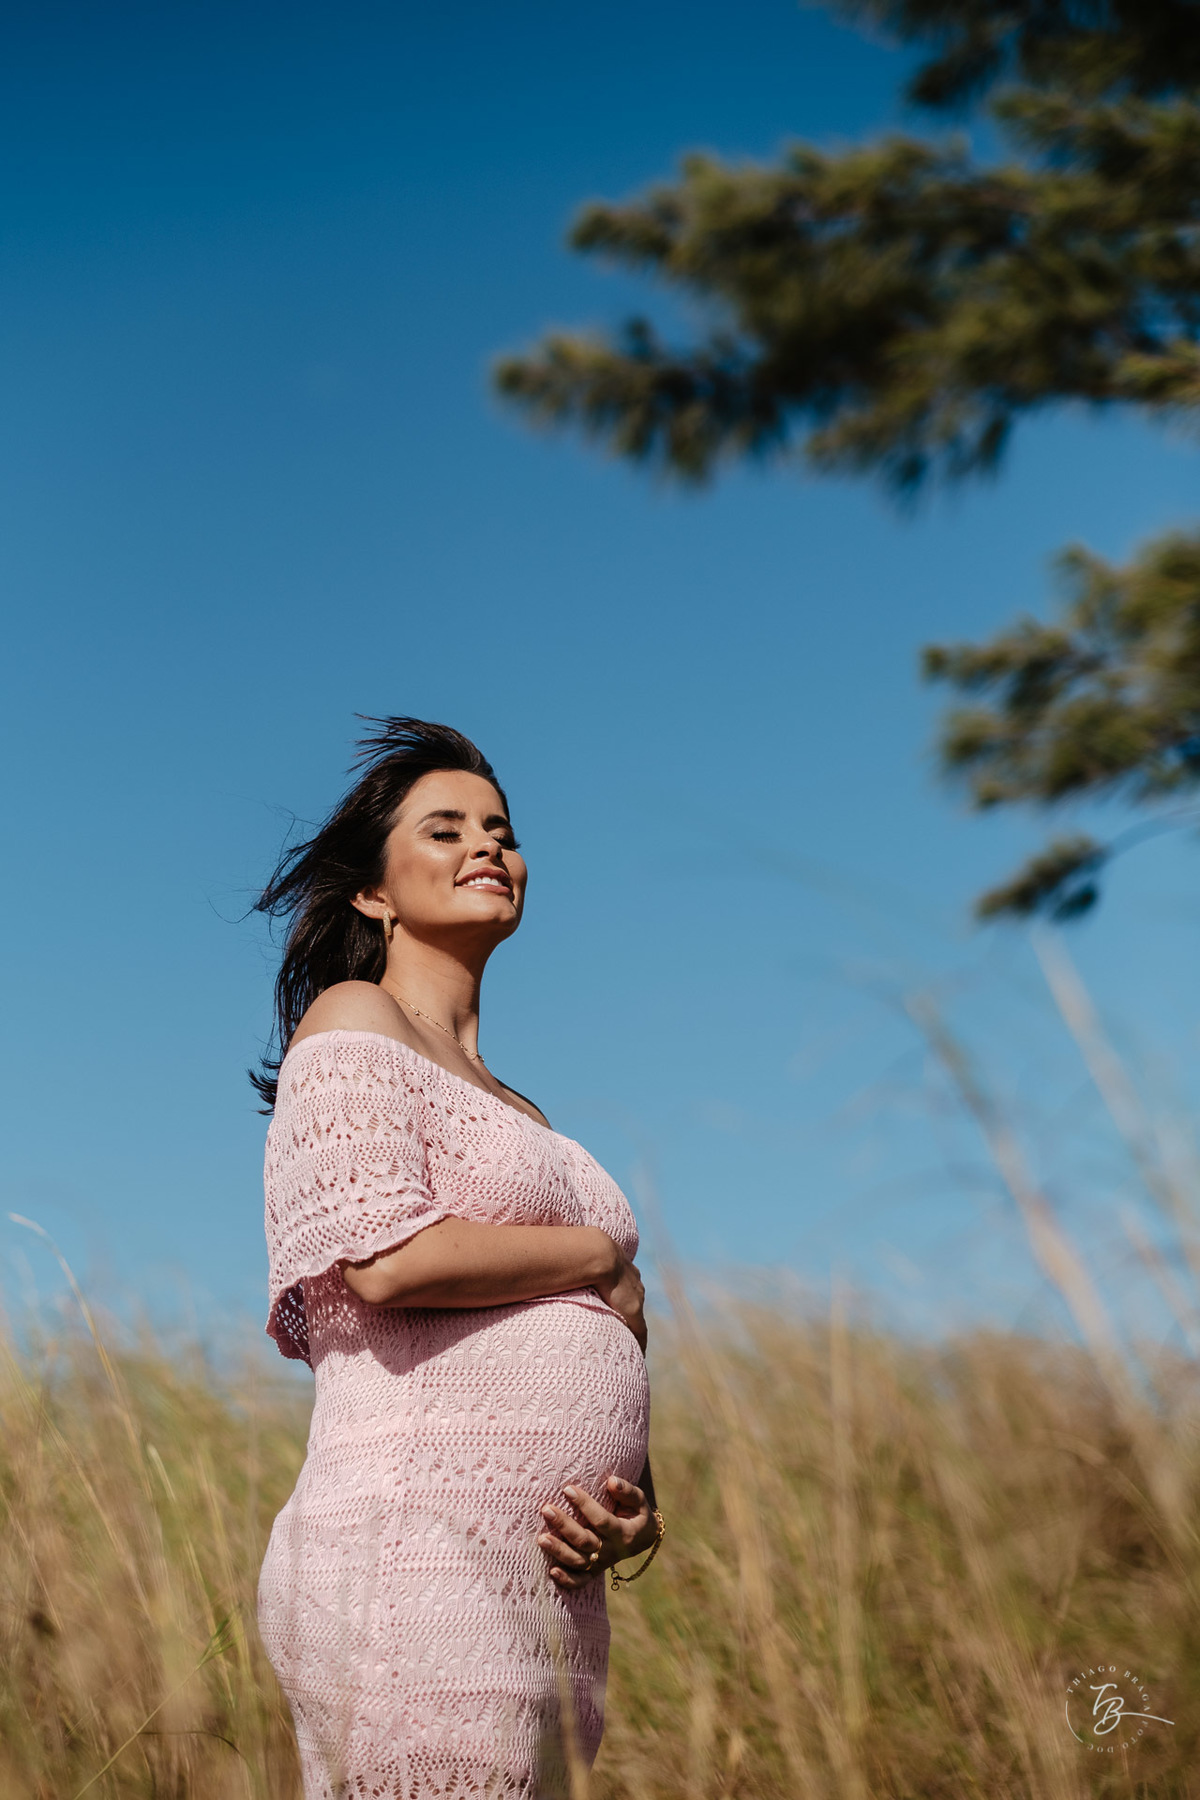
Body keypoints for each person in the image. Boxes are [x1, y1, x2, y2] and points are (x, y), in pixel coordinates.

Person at [253, 716, 662, 1800]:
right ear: (373, 895)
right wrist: (598, 1259)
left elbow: (590, 1336)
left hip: (547, 1584)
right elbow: (384, 1258)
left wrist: (632, 1512)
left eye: (502, 830)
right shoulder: (355, 1019)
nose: (489, 847)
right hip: (412, 1551)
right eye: (445, 830)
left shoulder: (524, 1110)